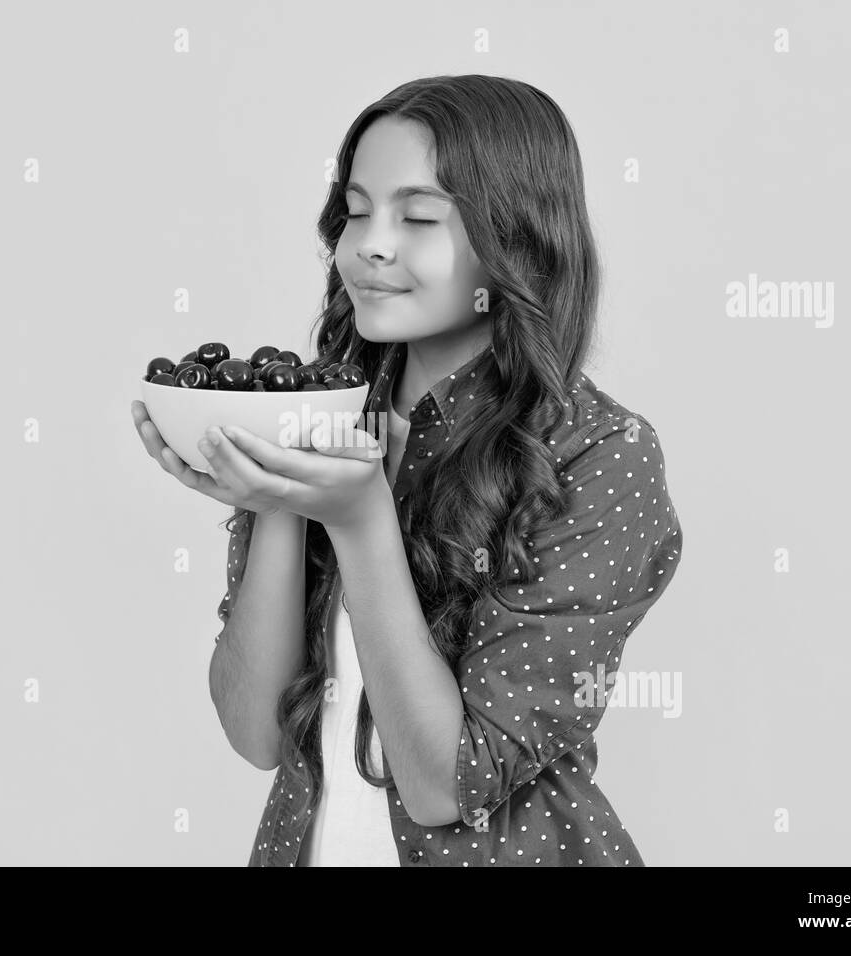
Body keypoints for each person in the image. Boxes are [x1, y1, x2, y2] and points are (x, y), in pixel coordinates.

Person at [131, 74, 683, 866]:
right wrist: (280, 495)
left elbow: (443, 787)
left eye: (418, 216)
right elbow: (255, 733)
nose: (370, 245)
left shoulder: (601, 453)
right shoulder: (323, 415)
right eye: (355, 212)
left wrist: (359, 522)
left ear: (517, 237)